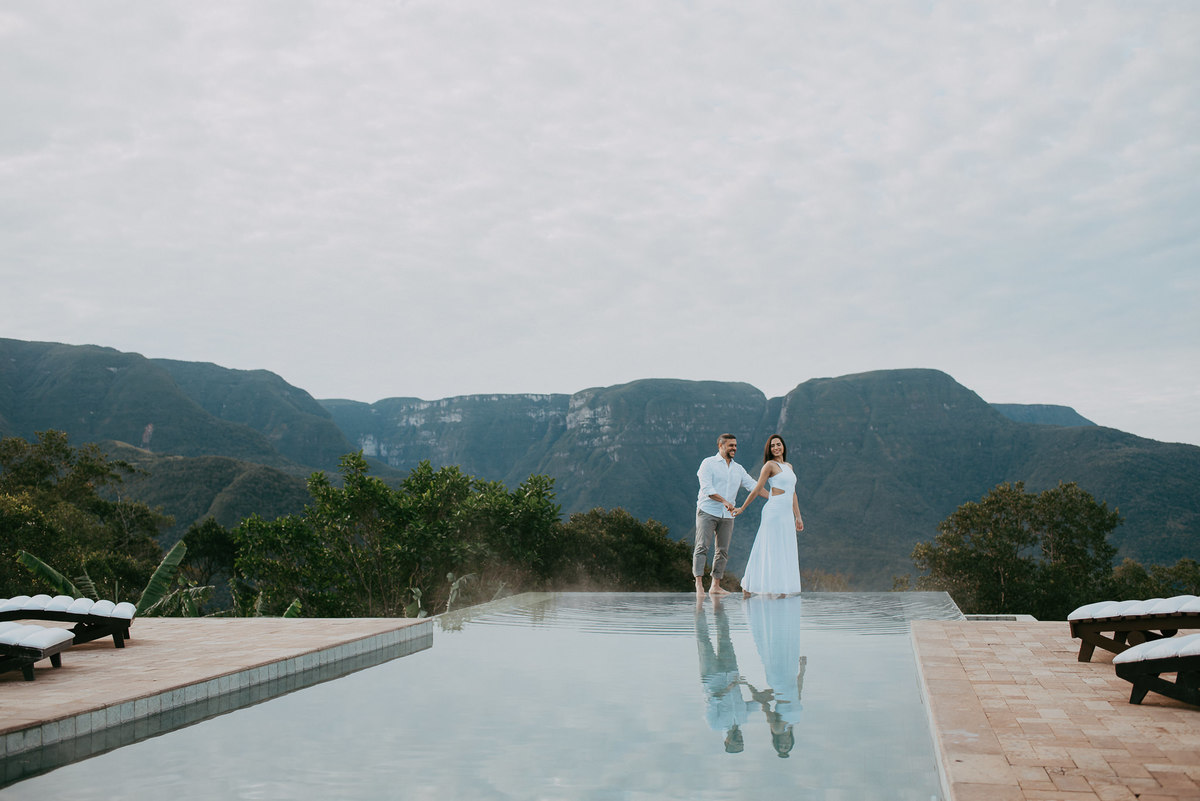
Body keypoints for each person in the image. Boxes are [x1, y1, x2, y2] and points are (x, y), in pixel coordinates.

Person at [737, 434, 804, 596]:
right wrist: (742, 508)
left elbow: (793, 493)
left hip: (787, 514)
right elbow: (757, 488)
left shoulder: (789, 466)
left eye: (778, 445)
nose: (776, 448)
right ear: (769, 449)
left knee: (785, 549)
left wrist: (798, 516)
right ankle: (748, 586)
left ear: (783, 446)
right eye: (772, 446)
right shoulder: (769, 465)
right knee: (766, 547)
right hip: (773, 510)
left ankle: (782, 588)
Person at [694, 433, 760, 595]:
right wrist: (724, 501)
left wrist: (775, 495)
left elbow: (754, 486)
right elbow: (707, 489)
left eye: (735, 446)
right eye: (731, 445)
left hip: (728, 515)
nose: (734, 448)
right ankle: (699, 585)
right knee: (702, 546)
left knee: (722, 550)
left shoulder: (738, 469)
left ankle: (715, 585)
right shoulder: (708, 463)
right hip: (707, 511)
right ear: (720, 446)